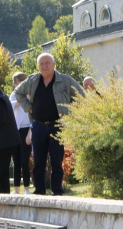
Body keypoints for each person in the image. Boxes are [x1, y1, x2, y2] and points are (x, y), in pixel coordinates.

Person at [14, 53, 84, 195]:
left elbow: (81, 95)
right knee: (38, 161)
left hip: (57, 125)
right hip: (38, 125)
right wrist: (29, 107)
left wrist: (71, 112)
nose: (44, 66)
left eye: (47, 63)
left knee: (56, 161)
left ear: (54, 64)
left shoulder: (65, 80)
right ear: (38, 66)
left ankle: (57, 190)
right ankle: (39, 190)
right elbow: (18, 92)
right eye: (41, 64)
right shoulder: (33, 80)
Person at [10, 72, 32, 195]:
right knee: (16, 161)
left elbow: (33, 114)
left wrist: (30, 133)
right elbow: (10, 106)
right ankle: (16, 189)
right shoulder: (14, 95)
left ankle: (27, 188)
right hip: (15, 130)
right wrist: (19, 101)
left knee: (24, 161)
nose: (15, 85)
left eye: (16, 82)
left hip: (26, 129)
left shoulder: (30, 94)